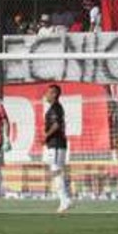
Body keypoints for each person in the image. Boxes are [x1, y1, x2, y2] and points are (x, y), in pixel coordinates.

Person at [43, 85, 72, 214]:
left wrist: (46, 136)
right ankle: (66, 198)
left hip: (56, 144)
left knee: (56, 172)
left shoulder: (55, 108)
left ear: (54, 94)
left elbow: (56, 125)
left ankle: (64, 200)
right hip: (57, 144)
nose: (46, 95)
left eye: (48, 93)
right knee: (57, 172)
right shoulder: (56, 108)